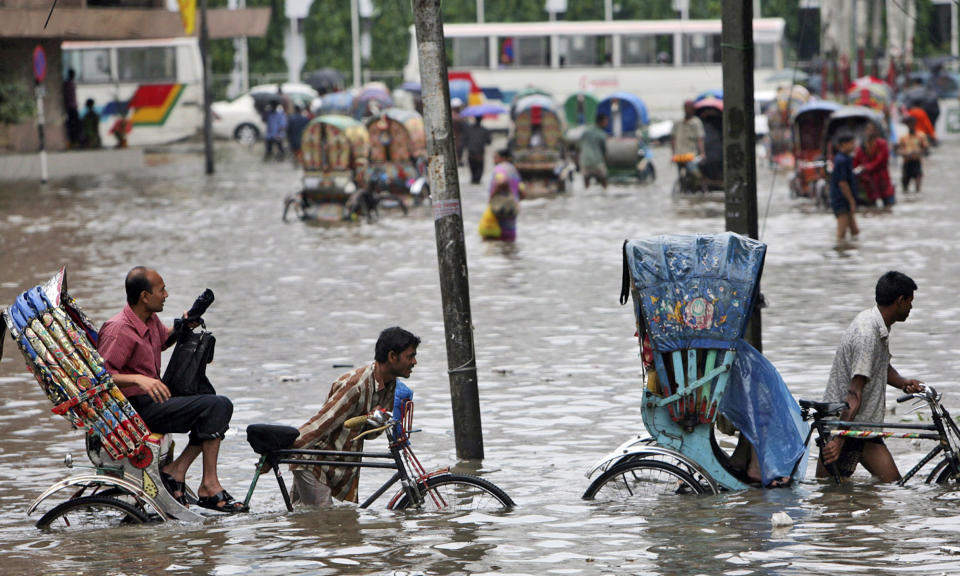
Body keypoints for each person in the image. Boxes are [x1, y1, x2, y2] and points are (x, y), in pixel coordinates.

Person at [97, 267, 246, 512]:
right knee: (217, 406)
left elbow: (162, 340)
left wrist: (184, 326)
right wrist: (139, 380)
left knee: (212, 403)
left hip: (154, 400)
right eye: (161, 289)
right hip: (136, 411)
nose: (166, 294)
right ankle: (208, 485)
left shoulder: (148, 319)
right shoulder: (119, 329)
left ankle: (177, 471)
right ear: (145, 296)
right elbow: (101, 379)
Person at [290, 327, 420, 506]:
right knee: (326, 524)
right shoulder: (356, 386)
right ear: (392, 356)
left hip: (337, 463)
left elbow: (369, 434)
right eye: (410, 356)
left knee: (302, 520)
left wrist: (377, 420)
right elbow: (321, 424)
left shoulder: (391, 386)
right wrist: (286, 447)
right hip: (315, 462)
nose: (414, 361)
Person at [817, 271, 924, 483]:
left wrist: (903, 383)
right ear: (900, 300)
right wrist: (839, 438)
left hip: (862, 428)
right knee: (828, 491)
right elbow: (854, 393)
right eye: (910, 302)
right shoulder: (867, 335)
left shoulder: (877, 326)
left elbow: (879, 366)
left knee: (888, 486)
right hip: (847, 428)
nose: (911, 308)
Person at [483, 148, 523, 242]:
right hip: (512, 208)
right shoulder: (514, 170)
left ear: (503, 158)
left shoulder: (500, 168)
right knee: (509, 241)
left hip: (500, 207)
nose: (494, 160)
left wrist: (492, 196)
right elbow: (523, 192)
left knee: (492, 239)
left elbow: (502, 181)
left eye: (496, 157)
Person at [854, 121, 894, 208]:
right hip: (869, 182)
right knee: (871, 207)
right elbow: (856, 162)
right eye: (868, 130)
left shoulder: (882, 144)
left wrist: (866, 167)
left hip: (883, 179)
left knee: (889, 206)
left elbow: (882, 159)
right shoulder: (861, 147)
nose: (869, 132)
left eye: (872, 130)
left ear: (876, 132)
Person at [829, 133, 860, 243]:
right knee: (841, 233)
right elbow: (842, 183)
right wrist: (851, 201)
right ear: (843, 144)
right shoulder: (841, 160)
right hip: (841, 199)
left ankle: (851, 252)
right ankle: (839, 254)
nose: (853, 146)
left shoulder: (845, 159)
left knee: (855, 231)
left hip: (845, 199)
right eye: (851, 143)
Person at [671, 100, 707, 193]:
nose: (687, 110)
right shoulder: (678, 123)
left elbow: (700, 139)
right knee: (680, 175)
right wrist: (673, 153)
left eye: (689, 108)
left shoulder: (696, 123)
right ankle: (683, 190)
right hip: (679, 154)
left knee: (695, 174)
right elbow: (673, 139)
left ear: (693, 109)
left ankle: (696, 190)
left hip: (691, 154)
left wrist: (702, 153)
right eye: (686, 108)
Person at [896, 116, 928, 194]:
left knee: (918, 186)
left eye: (912, 123)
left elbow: (926, 150)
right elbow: (898, 149)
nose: (911, 125)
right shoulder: (903, 137)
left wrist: (918, 152)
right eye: (909, 124)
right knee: (905, 188)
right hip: (906, 163)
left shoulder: (921, 136)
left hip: (916, 163)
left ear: (915, 124)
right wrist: (903, 153)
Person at [578, 113, 609, 190]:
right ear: (600, 122)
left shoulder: (586, 131)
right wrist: (605, 161)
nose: (606, 124)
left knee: (586, 184)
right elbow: (604, 150)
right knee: (604, 182)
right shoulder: (602, 134)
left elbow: (579, 145)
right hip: (597, 161)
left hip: (585, 161)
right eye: (605, 122)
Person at [463, 116, 491, 185]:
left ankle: (474, 179)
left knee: (473, 166)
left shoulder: (469, 129)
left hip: (471, 152)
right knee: (479, 167)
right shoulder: (484, 130)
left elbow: (464, 140)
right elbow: (489, 141)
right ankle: (477, 179)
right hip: (479, 152)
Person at [63, 69, 80, 148]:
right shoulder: (68, 84)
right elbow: (67, 97)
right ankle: (73, 141)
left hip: (72, 107)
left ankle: (75, 141)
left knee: (75, 125)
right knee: (72, 125)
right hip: (70, 108)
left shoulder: (71, 84)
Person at [451, 98, 466, 167]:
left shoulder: (460, 116)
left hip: (459, 137)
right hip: (456, 137)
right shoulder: (456, 116)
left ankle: (458, 160)